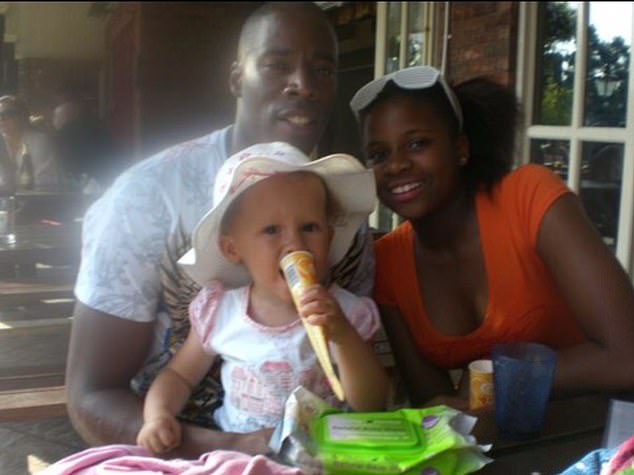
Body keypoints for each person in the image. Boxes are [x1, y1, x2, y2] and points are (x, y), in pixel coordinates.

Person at [67, 2, 376, 459]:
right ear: (236, 78)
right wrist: (234, 449)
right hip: (177, 451)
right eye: (277, 64)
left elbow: (358, 386)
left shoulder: (336, 214)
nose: (304, 85)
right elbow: (91, 396)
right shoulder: (145, 198)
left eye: (323, 70)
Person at [349, 65, 634, 408]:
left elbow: (627, 359)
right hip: (506, 453)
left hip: (604, 435)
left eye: (417, 143)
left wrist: (499, 380)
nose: (396, 166)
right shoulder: (387, 262)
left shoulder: (528, 198)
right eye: (379, 154)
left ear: (461, 149)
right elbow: (436, 406)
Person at [136, 142, 388, 454]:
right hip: (241, 455)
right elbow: (178, 376)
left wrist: (342, 336)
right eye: (271, 230)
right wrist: (157, 416)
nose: (295, 243)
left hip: (325, 456)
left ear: (329, 236)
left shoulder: (345, 312)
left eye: (310, 227)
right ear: (233, 249)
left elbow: (372, 403)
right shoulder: (221, 312)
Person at [52, 89, 124, 192]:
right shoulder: (102, 130)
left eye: (56, 118)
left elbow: (65, 165)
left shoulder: (65, 136)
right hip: (106, 183)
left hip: (76, 187)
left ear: (68, 116)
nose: (53, 123)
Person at [0, 95, 61, 189]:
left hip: (36, 200)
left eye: (8, 114)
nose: (2, 119)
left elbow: (44, 181)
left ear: (22, 116)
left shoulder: (39, 141)